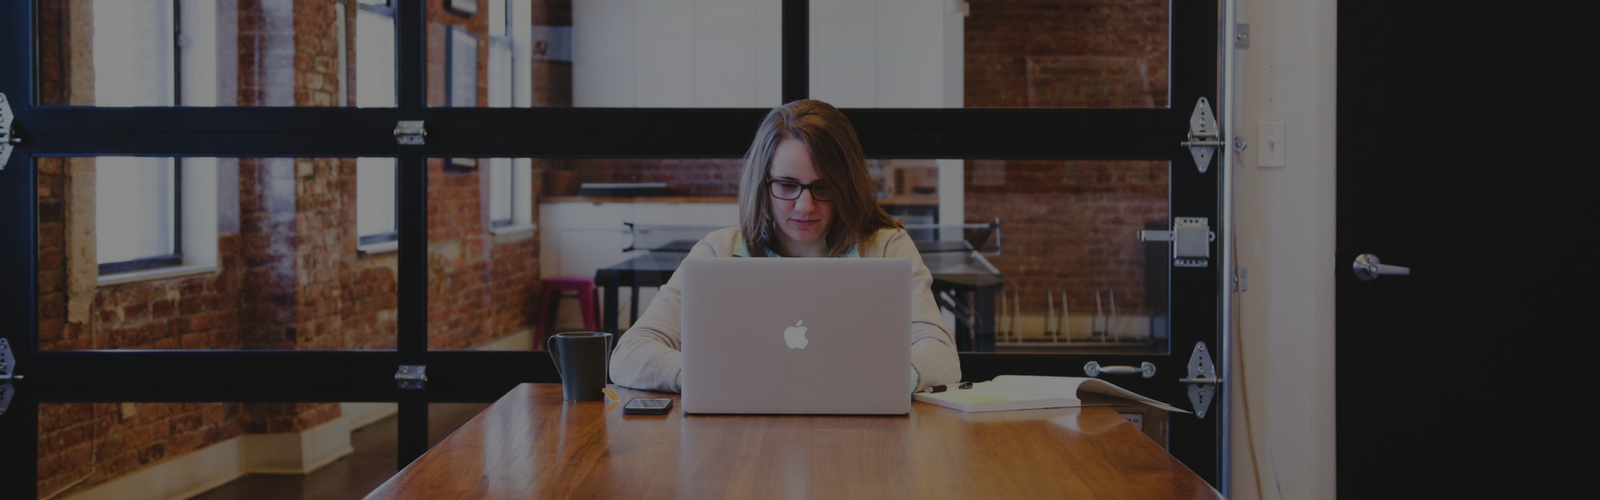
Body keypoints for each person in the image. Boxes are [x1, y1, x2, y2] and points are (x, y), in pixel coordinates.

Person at [607, 99, 962, 394]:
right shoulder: (719, 252)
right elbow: (630, 355)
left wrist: (883, 382)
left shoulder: (886, 248)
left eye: (823, 187)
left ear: (847, 185)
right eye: (788, 185)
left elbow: (942, 355)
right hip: (738, 438)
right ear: (763, 182)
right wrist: (704, 377)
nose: (805, 207)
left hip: (858, 434)